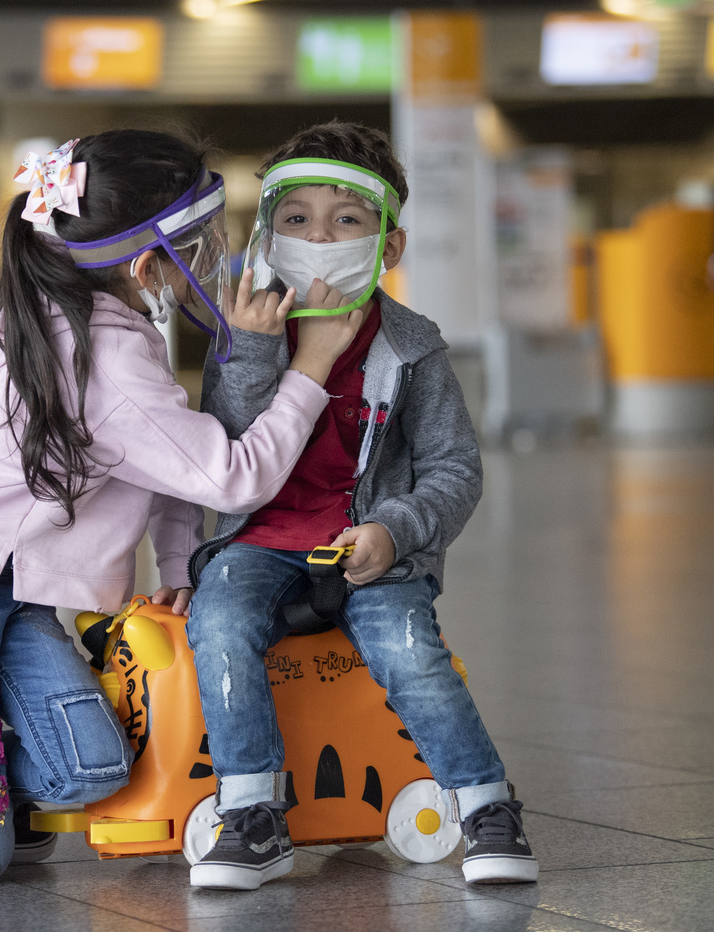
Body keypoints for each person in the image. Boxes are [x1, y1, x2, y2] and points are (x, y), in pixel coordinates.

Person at [0, 129, 367, 885]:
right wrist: (309, 370)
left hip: (15, 591)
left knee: (90, 771)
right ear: (145, 264)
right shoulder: (106, 355)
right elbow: (233, 476)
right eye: (196, 241)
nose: (210, 257)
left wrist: (180, 561)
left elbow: (165, 457)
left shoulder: (74, 311)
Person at [185, 122, 539, 891]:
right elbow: (223, 453)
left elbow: (455, 468)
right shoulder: (244, 331)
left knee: (411, 651)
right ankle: (250, 812)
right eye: (296, 219)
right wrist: (248, 352)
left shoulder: (412, 345)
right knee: (217, 620)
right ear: (267, 232)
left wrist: (395, 528)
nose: (319, 236)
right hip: (260, 539)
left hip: (371, 546)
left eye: (346, 219)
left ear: (390, 244)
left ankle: (485, 803)